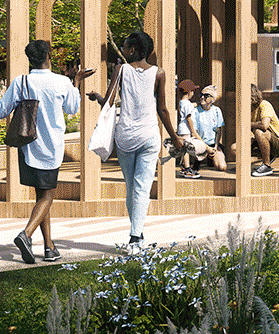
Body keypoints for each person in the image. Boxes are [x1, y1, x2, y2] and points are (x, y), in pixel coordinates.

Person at [86, 31, 178, 252]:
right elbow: (162, 109)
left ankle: (136, 235)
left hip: (125, 137)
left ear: (134, 50)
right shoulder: (159, 73)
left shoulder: (121, 70)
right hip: (149, 136)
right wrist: (175, 138)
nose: (124, 51)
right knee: (142, 187)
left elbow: (108, 102)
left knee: (132, 187)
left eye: (126, 47)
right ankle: (137, 235)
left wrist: (96, 97)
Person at [3, 40, 89, 264]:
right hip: (51, 146)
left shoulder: (20, 82)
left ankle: (49, 247)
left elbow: (2, 110)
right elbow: (72, 109)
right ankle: (26, 234)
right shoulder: (61, 82)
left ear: (29, 58)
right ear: (49, 56)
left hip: (27, 145)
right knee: (48, 195)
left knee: (42, 196)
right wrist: (76, 83)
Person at [178, 85, 228, 177]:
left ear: (212, 99)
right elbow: (194, 132)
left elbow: (219, 130)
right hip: (200, 143)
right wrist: (207, 148)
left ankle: (210, 159)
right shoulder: (195, 111)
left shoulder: (217, 110)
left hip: (213, 145)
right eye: (201, 95)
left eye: (206, 95)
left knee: (222, 167)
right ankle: (195, 163)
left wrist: (215, 147)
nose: (202, 97)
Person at [249, 85, 279, 176]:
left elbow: (264, 125)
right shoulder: (247, 110)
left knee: (259, 132)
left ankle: (267, 166)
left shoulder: (264, 104)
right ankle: (245, 166)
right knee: (234, 148)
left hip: (277, 143)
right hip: (258, 140)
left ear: (252, 95)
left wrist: (247, 124)